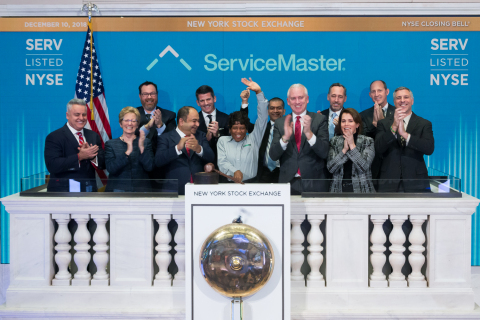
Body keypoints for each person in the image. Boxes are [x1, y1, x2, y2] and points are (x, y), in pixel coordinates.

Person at [269, 84, 329, 194]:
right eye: (293, 98)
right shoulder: (280, 122)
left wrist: (309, 134)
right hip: (288, 183)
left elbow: (325, 152)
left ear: (307, 99)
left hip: (314, 183)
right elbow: (273, 155)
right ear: (288, 101)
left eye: (300, 97)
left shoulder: (319, 119)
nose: (297, 102)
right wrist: (285, 138)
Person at [375, 87, 434, 192]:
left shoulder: (424, 124)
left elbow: (429, 148)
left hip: (416, 181)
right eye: (398, 98)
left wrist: (405, 134)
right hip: (388, 181)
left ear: (412, 101)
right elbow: (379, 148)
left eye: (406, 97)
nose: (402, 100)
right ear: (394, 102)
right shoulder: (383, 124)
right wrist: (393, 127)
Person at [44, 98, 105, 192]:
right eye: (77, 114)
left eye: (84, 114)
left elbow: (103, 164)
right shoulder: (54, 137)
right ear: (67, 115)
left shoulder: (93, 135)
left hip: (89, 191)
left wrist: (93, 157)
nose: (81, 118)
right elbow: (52, 165)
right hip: (63, 193)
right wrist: (79, 156)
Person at [217, 78, 268, 183]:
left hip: (252, 184)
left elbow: (262, 118)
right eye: (235, 128)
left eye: (242, 128)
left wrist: (258, 92)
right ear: (229, 129)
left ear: (246, 129)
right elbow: (222, 162)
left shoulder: (254, 138)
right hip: (228, 186)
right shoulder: (222, 141)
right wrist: (234, 171)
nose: (238, 131)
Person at [155, 106, 215, 195]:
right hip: (174, 191)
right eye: (194, 121)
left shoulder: (201, 136)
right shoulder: (165, 138)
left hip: (199, 190)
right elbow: (158, 161)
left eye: (198, 121)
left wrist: (199, 149)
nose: (197, 124)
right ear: (181, 121)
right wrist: (177, 148)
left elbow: (211, 157)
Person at [136, 81, 176, 190]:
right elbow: (132, 138)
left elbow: (172, 143)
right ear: (140, 96)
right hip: (138, 170)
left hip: (162, 171)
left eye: (152, 93)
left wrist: (160, 126)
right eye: (145, 94)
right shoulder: (132, 115)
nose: (149, 97)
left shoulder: (169, 116)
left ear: (157, 95)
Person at [105, 107, 154, 192]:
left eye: (133, 121)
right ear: (121, 123)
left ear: (137, 124)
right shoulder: (111, 144)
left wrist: (142, 148)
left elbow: (150, 167)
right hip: (118, 190)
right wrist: (127, 153)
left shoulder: (145, 142)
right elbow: (111, 168)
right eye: (126, 120)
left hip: (141, 191)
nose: (130, 123)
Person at [239, 90, 285, 183]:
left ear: (284, 111)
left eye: (278, 108)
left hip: (284, 173)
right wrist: (244, 102)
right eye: (272, 108)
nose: (275, 111)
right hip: (263, 173)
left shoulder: (290, 129)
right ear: (267, 111)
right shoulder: (260, 128)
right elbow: (244, 123)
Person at [327, 108, 375, 193]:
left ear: (357, 124)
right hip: (338, 191)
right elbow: (331, 168)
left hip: (362, 191)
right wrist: (344, 150)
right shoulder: (334, 141)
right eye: (343, 121)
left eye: (350, 121)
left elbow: (364, 167)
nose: (346, 124)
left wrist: (352, 146)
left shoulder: (367, 141)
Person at [360, 80, 396, 185]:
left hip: (393, 166)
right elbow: (362, 140)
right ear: (370, 94)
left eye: (379, 90)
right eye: (373, 91)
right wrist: (374, 124)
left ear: (387, 91)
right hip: (372, 168)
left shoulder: (397, 113)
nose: (376, 94)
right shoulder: (363, 115)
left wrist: (382, 122)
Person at [195, 85, 230, 167]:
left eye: (208, 99)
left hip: (223, 166)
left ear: (214, 99)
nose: (206, 103)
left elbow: (231, 143)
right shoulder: (193, 120)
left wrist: (218, 135)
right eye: (202, 101)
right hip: (200, 166)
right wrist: (205, 139)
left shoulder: (226, 118)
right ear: (198, 103)